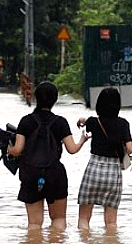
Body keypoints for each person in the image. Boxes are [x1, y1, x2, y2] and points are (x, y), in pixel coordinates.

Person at [7, 81, 89, 230]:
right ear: (55, 99)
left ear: (36, 98)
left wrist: (8, 149)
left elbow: (18, 149)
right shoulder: (60, 122)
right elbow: (72, 149)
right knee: (58, 220)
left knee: (34, 223)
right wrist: (82, 140)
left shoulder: (26, 121)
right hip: (54, 174)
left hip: (30, 173)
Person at [76, 87, 132, 230]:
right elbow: (131, 148)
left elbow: (85, 121)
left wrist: (82, 120)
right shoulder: (123, 124)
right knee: (111, 223)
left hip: (94, 170)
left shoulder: (94, 122)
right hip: (113, 174)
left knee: (84, 219)